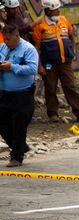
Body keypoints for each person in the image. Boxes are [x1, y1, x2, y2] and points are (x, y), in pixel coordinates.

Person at [32, 0, 79, 123]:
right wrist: (39, 65)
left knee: (70, 86)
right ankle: (53, 114)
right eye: (56, 9)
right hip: (49, 63)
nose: (58, 11)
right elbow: (36, 47)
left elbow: (71, 36)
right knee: (50, 87)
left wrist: (72, 51)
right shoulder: (40, 25)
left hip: (65, 62)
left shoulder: (63, 20)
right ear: (48, 10)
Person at [0, 24, 38, 167]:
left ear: (17, 36)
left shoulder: (28, 49)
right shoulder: (3, 48)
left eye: (9, 39)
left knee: (19, 124)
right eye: (5, 39)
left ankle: (17, 156)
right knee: (2, 123)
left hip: (23, 94)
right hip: (4, 93)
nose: (6, 42)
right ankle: (20, 146)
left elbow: (32, 68)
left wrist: (12, 67)